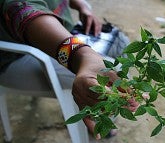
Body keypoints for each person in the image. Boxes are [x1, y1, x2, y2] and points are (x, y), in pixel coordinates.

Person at [0, 0, 138, 139]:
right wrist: (82, 55)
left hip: (63, 31)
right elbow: (21, 10)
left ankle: (102, 116)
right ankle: (97, 118)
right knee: (102, 75)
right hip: (16, 57)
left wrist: (81, 5)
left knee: (121, 44)